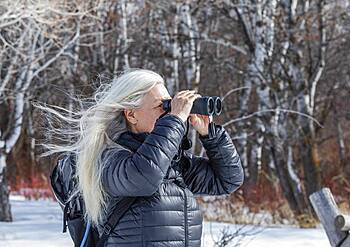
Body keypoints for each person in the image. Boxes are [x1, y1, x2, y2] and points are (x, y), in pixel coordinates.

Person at [49, 69, 244, 246]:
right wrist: (175, 120)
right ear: (131, 115)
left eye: (170, 104)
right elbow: (145, 176)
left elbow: (227, 180)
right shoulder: (108, 159)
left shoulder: (173, 164)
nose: (169, 111)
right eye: (162, 106)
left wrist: (210, 134)